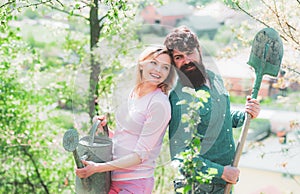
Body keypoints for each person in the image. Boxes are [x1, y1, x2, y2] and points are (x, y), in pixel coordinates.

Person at [163, 26, 261, 193]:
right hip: (199, 187)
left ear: (199, 50)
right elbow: (180, 157)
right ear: (173, 62)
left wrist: (246, 114)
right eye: (179, 57)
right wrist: (221, 172)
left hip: (225, 183)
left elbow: (221, 116)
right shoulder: (180, 97)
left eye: (190, 52)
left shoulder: (214, 78)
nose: (186, 61)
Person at [76, 45, 176, 193]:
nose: (158, 70)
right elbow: (125, 138)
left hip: (135, 183)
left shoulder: (159, 104)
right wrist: (105, 129)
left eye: (165, 67)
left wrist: (98, 168)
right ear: (141, 64)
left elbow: (139, 156)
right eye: (154, 63)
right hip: (114, 180)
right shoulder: (134, 94)